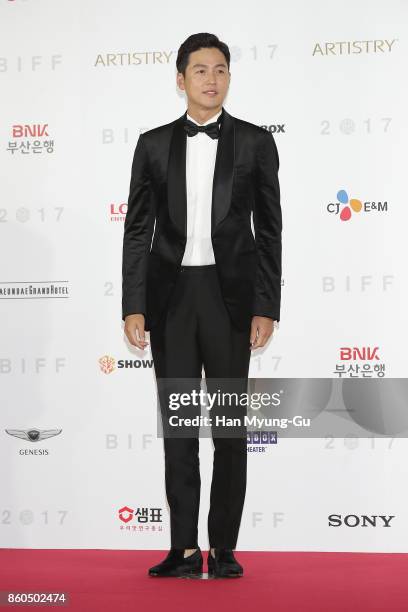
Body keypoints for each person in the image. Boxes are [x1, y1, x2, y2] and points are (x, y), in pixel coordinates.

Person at [122, 32, 282, 578]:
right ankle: (185, 549)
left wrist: (267, 305)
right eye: (200, 70)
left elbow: (271, 231)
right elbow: (137, 229)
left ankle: (225, 548)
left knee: (230, 428)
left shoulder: (257, 143)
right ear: (180, 79)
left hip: (229, 297)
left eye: (220, 70)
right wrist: (134, 304)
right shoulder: (152, 144)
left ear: (229, 77)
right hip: (170, 300)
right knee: (180, 427)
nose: (211, 79)